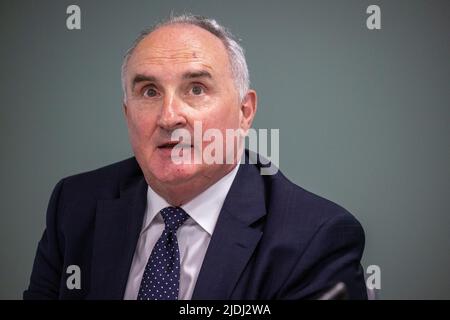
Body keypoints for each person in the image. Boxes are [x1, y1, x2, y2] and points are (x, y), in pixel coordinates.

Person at [24, 14, 367, 300]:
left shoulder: (317, 237)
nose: (169, 116)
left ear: (245, 112)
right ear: (127, 114)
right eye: (149, 92)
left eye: (197, 89)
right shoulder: (75, 204)